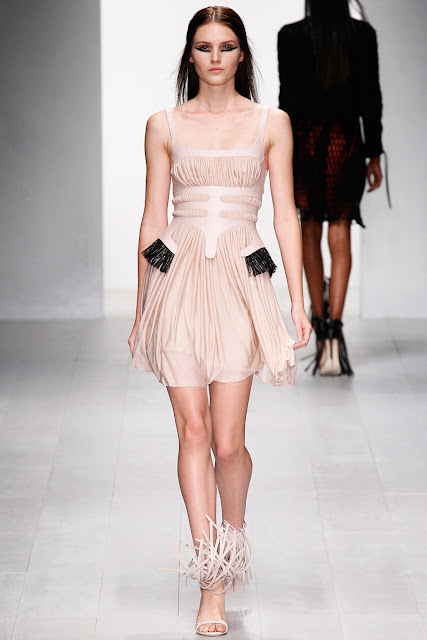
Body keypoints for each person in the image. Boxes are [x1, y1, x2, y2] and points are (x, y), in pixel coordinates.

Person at [128, 6, 311, 636]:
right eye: (204, 47)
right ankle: (211, 578)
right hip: (178, 278)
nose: (214, 58)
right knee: (193, 430)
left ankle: (232, 542)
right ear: (190, 55)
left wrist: (298, 300)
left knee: (228, 444)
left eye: (226, 47)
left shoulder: (271, 123)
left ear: (242, 55)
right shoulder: (163, 124)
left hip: (240, 279)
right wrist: (143, 304)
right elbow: (153, 219)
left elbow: (284, 215)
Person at [278, 0, 389, 376]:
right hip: (346, 141)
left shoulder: (290, 36)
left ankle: (319, 324)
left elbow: (286, 103)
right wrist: (374, 153)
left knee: (309, 227)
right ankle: (334, 336)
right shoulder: (362, 35)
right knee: (340, 230)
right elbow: (371, 98)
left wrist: (281, 154)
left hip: (304, 143)